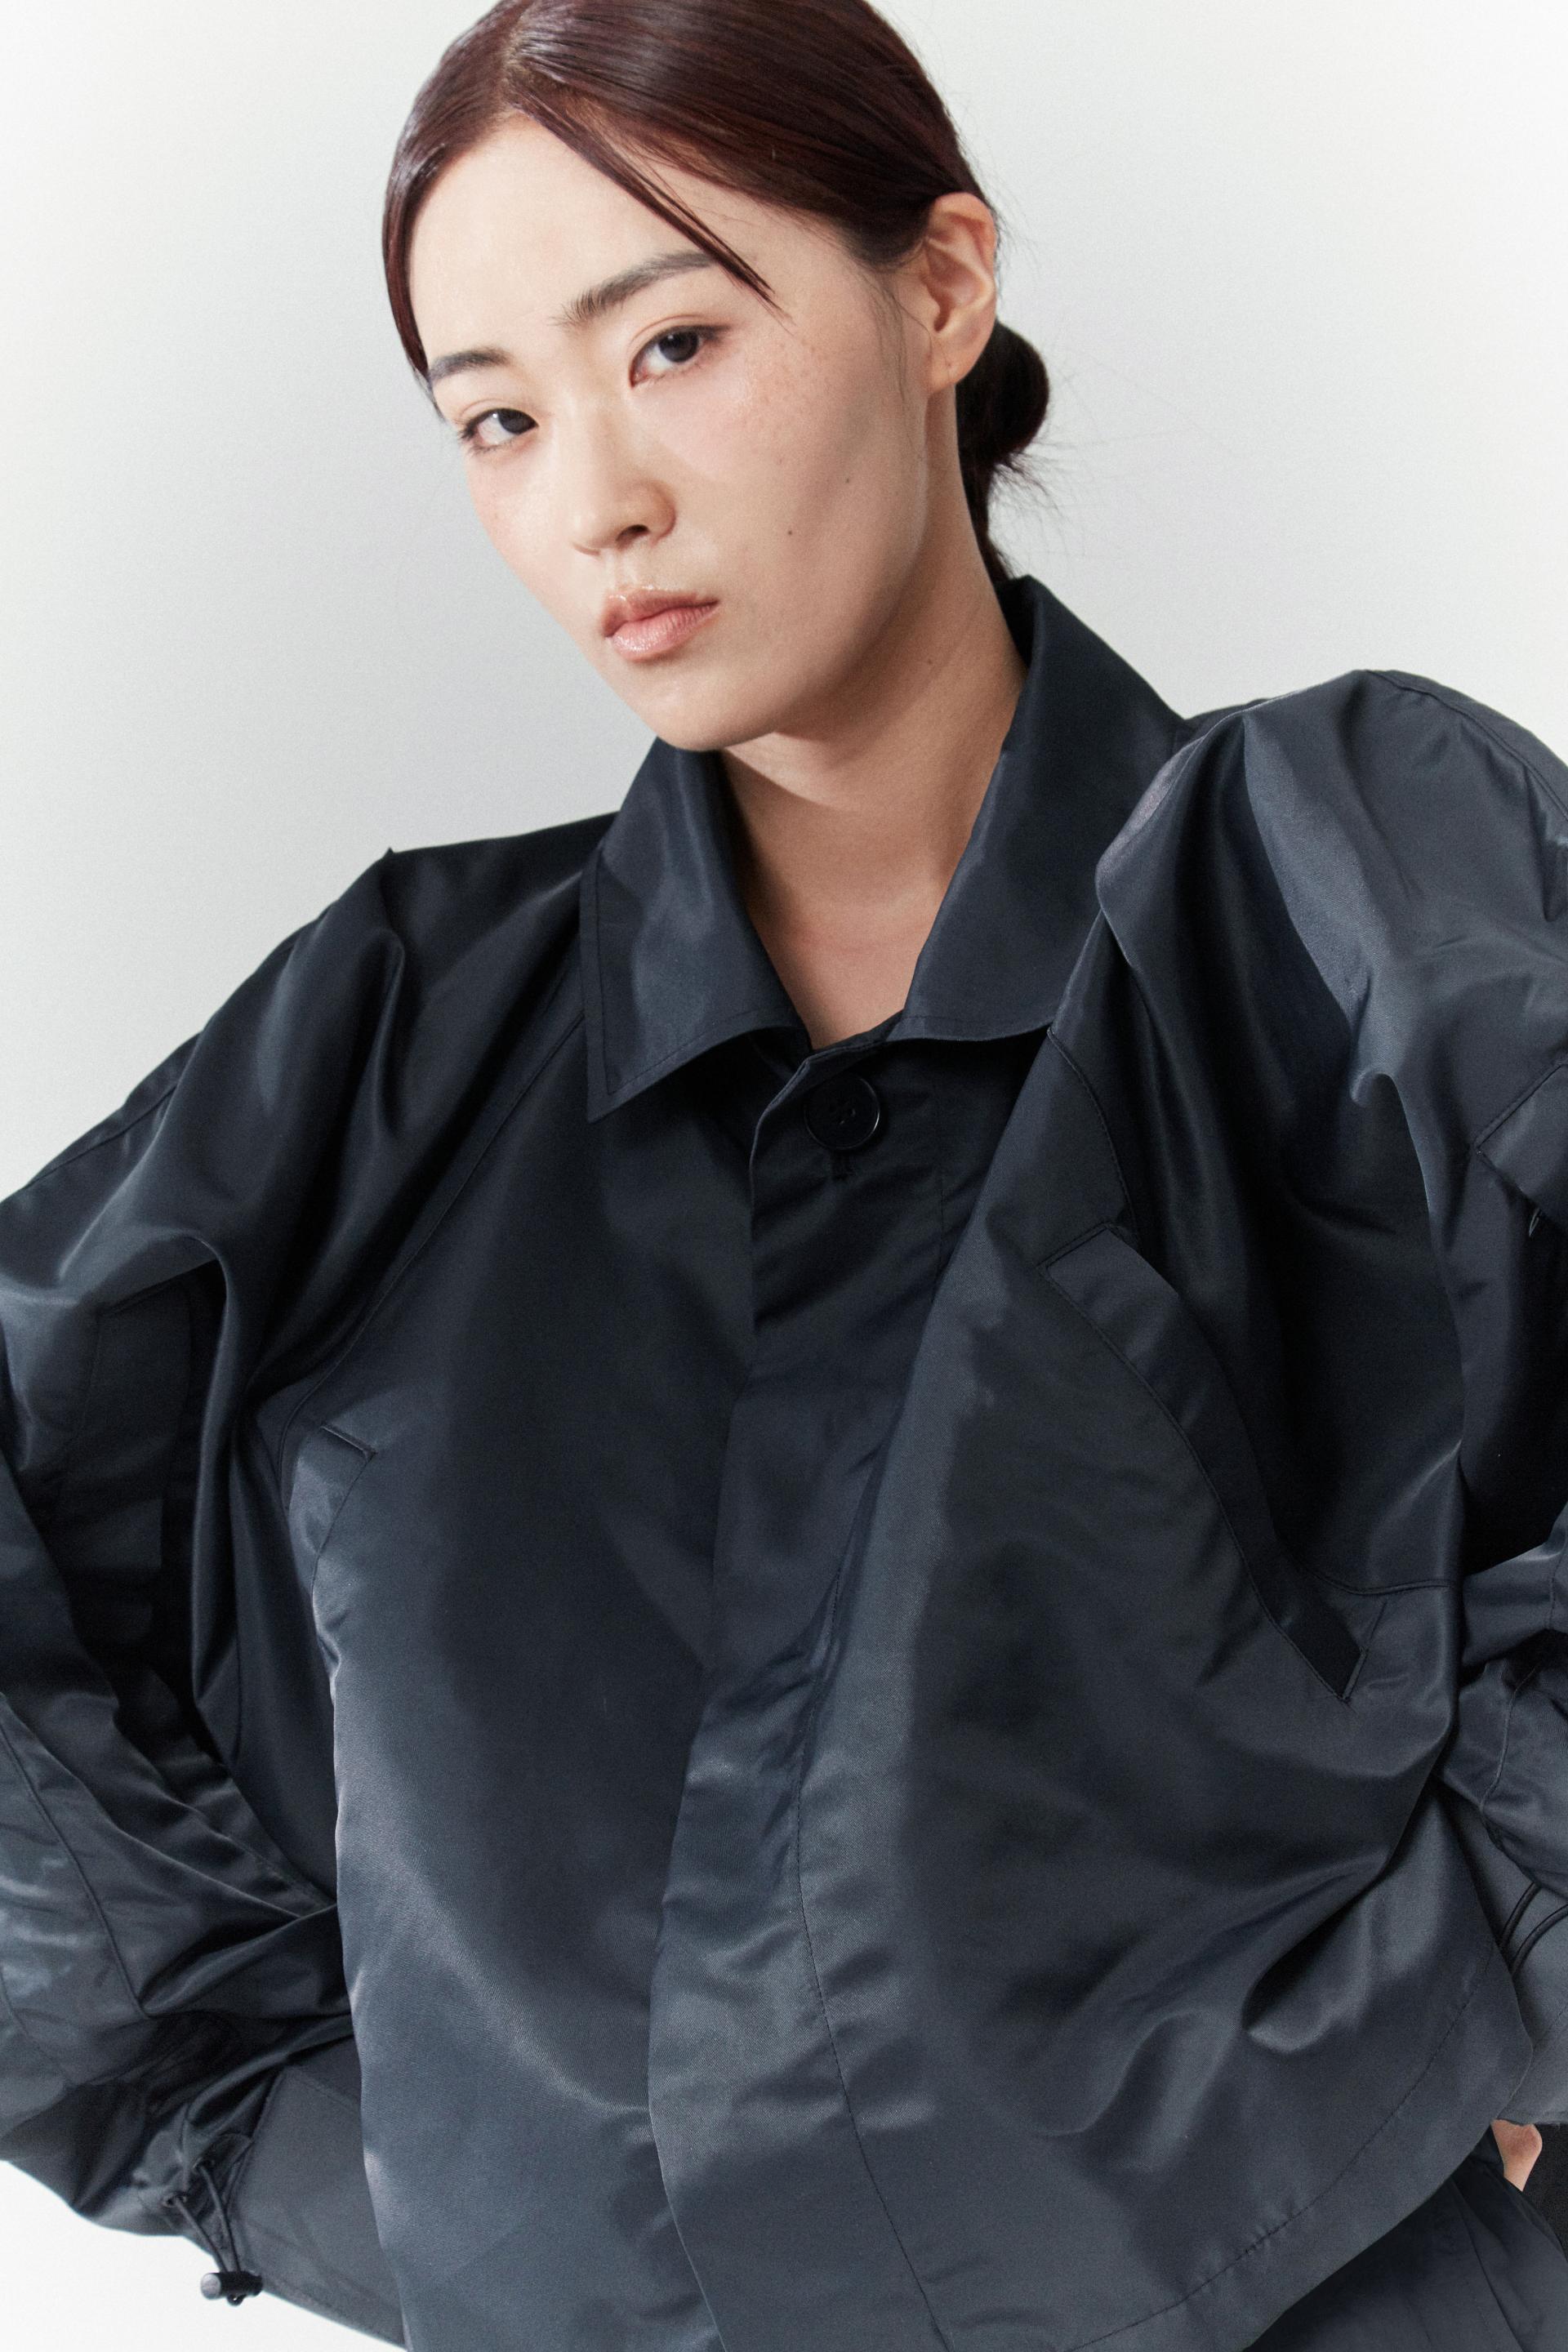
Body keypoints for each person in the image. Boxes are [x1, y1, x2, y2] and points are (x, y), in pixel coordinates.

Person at [3, 2, 1568, 2346]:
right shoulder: (396, 1041)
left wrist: (1493, 1975)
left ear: (941, 286)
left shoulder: (1339, 882)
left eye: (676, 344)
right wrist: (295, 2135)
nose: (596, 502)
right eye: (499, 418)